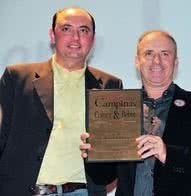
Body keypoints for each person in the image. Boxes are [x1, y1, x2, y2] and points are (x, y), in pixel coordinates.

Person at [81, 30, 191, 196]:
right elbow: (104, 177)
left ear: (175, 62)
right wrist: (93, 153)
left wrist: (169, 154)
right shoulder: (119, 108)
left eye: (165, 54)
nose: (157, 61)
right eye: (149, 53)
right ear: (137, 61)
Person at [0, 7, 122, 196]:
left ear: (93, 39)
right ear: (52, 34)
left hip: (83, 191)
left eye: (83, 30)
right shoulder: (17, 78)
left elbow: (115, 152)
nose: (75, 38)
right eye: (66, 29)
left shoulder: (110, 85)